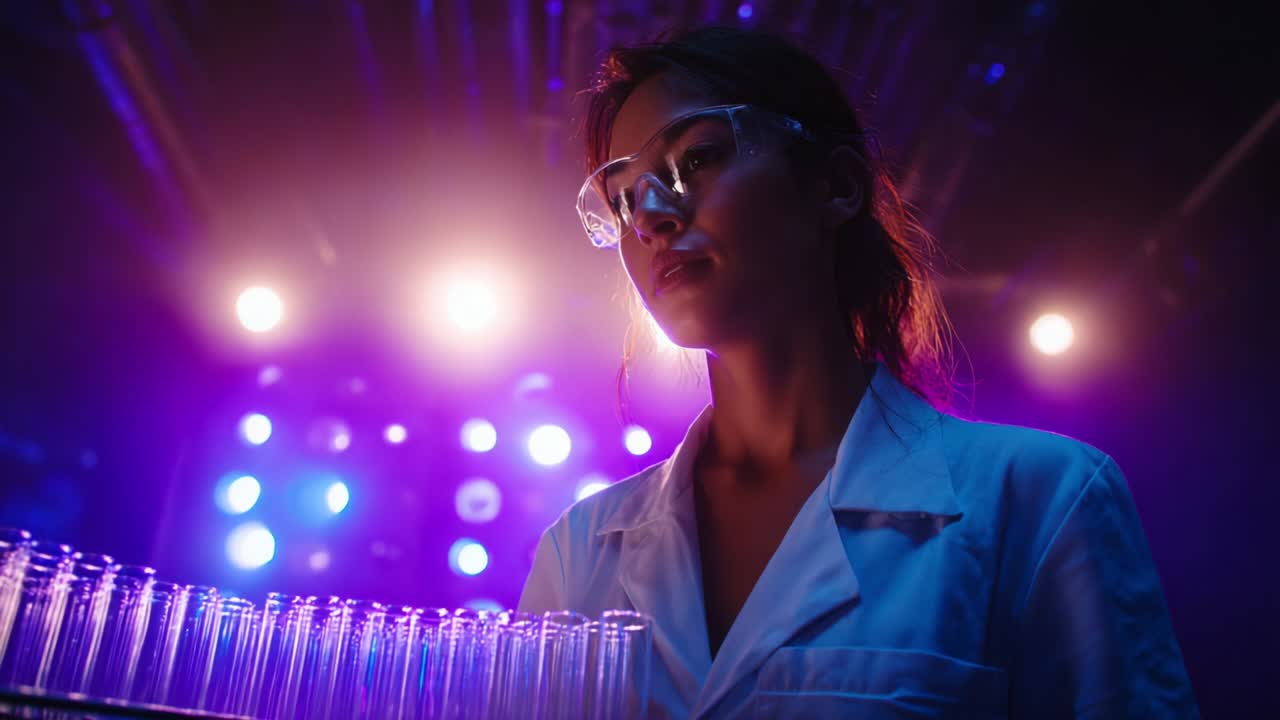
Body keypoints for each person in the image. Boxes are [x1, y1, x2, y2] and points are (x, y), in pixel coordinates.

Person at [519, 25, 1197, 719]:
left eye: (698, 159)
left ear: (837, 186)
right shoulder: (578, 552)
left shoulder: (1041, 501)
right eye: (626, 196)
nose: (652, 217)